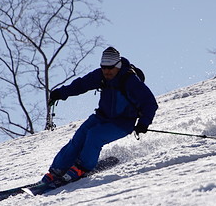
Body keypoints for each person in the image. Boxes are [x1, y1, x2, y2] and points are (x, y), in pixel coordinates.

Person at [40, 46, 158, 187]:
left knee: (94, 136)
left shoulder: (130, 80)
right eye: (103, 67)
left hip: (122, 123)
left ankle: (82, 168)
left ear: (118, 66)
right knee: (79, 138)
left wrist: (143, 123)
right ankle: (56, 170)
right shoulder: (101, 76)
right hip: (101, 117)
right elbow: (81, 84)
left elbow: (150, 103)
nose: (106, 71)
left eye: (110, 68)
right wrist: (61, 93)